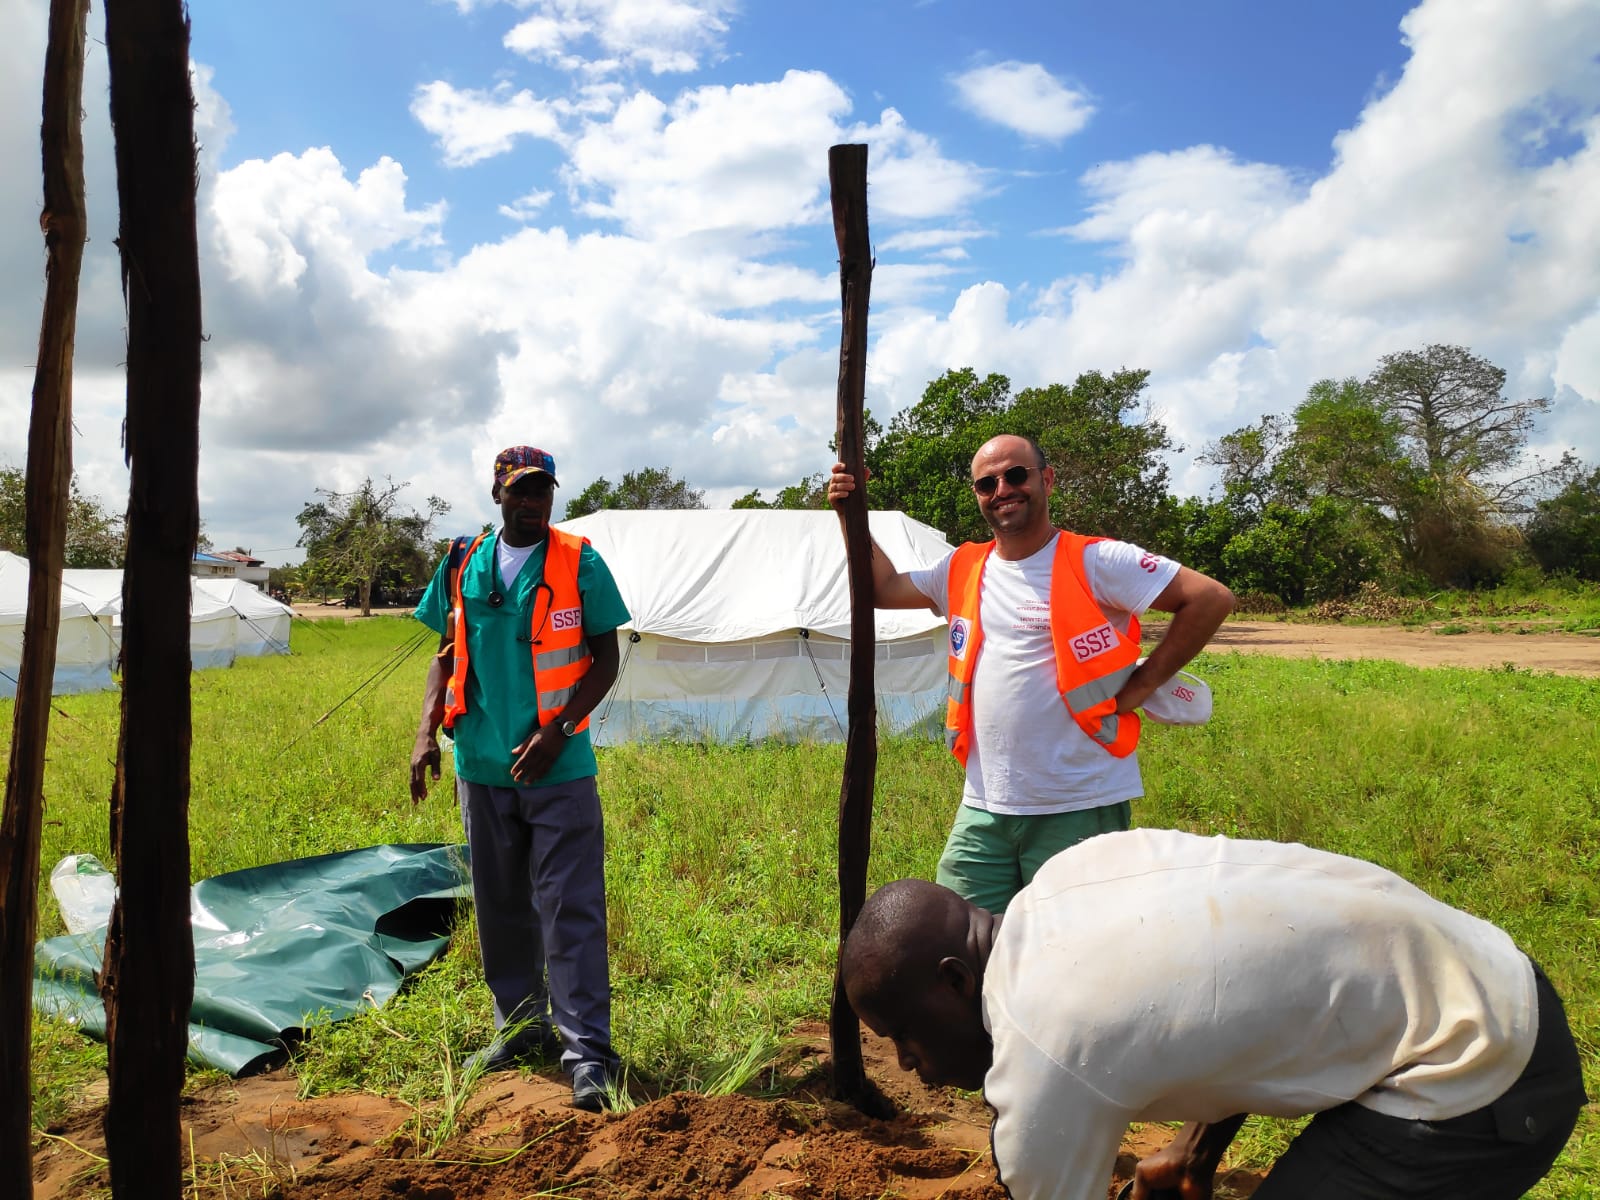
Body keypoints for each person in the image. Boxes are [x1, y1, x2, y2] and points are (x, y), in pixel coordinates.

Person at [841, 829, 1587, 1200]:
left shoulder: (1041, 1048)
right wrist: (1196, 1152)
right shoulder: (1075, 874)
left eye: (903, 1036)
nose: (909, 1065)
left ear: (954, 981)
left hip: (1478, 1077)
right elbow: (1232, 976)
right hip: (1495, 979)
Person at [827, 435, 1233, 912]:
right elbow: (883, 587)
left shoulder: (1096, 560)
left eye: (1016, 475)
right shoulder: (962, 566)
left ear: (1048, 479)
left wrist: (1143, 686)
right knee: (963, 942)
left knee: (1073, 953)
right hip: (985, 804)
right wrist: (852, 514)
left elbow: (1209, 598)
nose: (1002, 489)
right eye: (986, 482)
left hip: (1079, 802)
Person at [409, 445, 630, 1112]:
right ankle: (522, 1026)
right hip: (481, 766)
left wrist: (558, 730)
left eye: (543, 491)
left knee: (571, 910)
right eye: (521, 491)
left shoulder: (578, 561)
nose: (533, 502)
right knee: (501, 906)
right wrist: (424, 733)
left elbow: (605, 658)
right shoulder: (462, 563)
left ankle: (589, 1053)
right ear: (498, 494)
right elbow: (445, 654)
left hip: (558, 770)